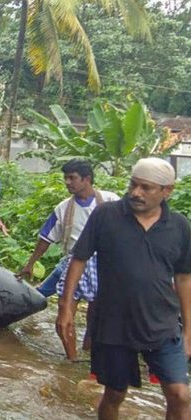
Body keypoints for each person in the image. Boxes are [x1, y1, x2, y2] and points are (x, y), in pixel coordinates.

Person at [57, 158, 191, 420]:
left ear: (167, 191)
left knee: (180, 395)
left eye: (146, 188)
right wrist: (65, 308)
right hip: (114, 325)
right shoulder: (106, 215)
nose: (136, 193)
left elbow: (184, 278)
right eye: (133, 185)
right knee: (114, 394)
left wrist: (188, 330)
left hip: (162, 324)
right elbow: (79, 259)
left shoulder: (179, 226)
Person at [18, 160, 119, 360]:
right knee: (64, 313)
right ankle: (72, 359)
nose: (67, 182)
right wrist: (30, 263)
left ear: (87, 179)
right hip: (75, 262)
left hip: (105, 263)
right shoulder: (63, 208)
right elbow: (45, 239)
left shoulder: (111, 201)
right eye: (66, 178)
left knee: (96, 316)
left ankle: (89, 353)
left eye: (72, 178)